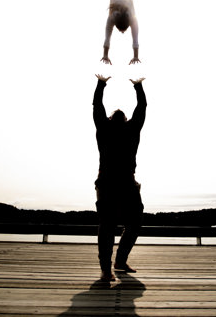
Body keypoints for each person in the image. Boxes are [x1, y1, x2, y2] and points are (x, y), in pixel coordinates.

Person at [93, 74, 147, 281]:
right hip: (109, 180)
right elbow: (142, 108)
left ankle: (118, 262)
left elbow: (98, 106)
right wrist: (138, 87)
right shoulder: (109, 129)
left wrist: (101, 84)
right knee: (108, 224)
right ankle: (106, 268)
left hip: (123, 180)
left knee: (134, 221)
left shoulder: (126, 129)